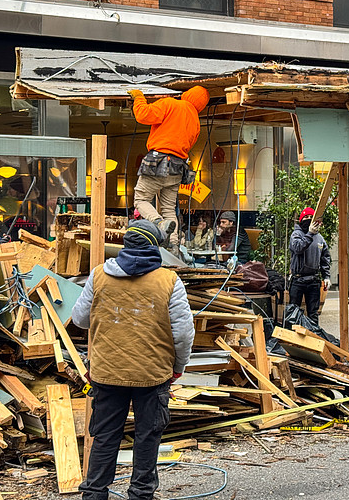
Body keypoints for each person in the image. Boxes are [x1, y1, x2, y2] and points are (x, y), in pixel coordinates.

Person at [71, 219, 194, 500]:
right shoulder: (169, 281)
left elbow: (79, 319)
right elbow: (184, 334)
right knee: (147, 437)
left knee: (105, 436)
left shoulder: (99, 275)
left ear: (125, 245)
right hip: (153, 373)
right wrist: (178, 368)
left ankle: (94, 493)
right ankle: (140, 494)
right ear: (155, 247)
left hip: (106, 372)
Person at [128, 86, 210, 252]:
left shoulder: (170, 104)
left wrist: (138, 97)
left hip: (158, 160)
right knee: (168, 208)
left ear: (187, 93)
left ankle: (158, 222)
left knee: (140, 199)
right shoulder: (195, 120)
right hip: (178, 167)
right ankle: (173, 244)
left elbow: (143, 115)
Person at [288, 207, 331, 326]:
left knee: (313, 314)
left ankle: (314, 338)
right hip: (298, 279)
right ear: (301, 219)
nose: (308, 219)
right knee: (293, 312)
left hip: (313, 280)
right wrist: (310, 234)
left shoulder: (320, 238)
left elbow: (325, 258)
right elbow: (297, 248)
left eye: (311, 217)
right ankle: (291, 339)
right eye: (306, 217)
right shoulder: (296, 234)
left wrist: (326, 276)